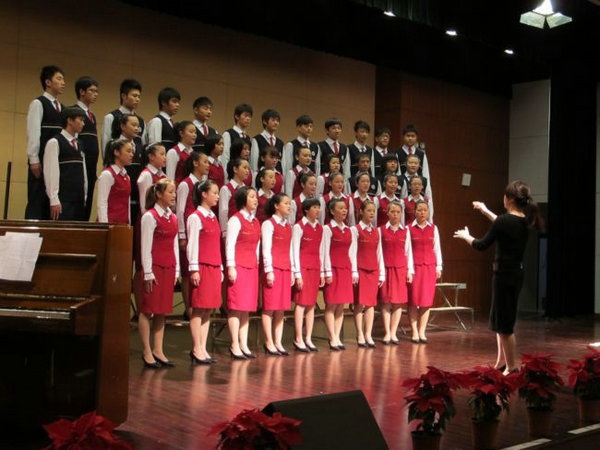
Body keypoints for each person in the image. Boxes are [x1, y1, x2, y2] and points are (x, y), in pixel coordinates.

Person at [453, 180, 544, 375]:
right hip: (513, 274)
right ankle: (502, 361)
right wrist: (484, 210)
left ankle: (512, 366)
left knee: (505, 325)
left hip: (505, 276)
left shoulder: (505, 221)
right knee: (500, 321)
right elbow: (501, 223)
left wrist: (466, 236)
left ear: (508, 199)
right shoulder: (523, 220)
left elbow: (481, 244)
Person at [139, 178, 179, 369]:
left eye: (174, 192)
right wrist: (148, 272)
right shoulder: (150, 216)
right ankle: (146, 351)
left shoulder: (173, 217)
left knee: (162, 310)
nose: (174, 195)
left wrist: (177, 269)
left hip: (168, 267)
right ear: (159, 194)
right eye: (170, 192)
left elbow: (174, 245)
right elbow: (145, 247)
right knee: (148, 309)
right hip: (154, 268)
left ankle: (158, 350)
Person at [187, 180, 223, 364]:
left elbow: (216, 244)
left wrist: (220, 268)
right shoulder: (195, 217)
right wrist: (194, 269)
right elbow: (192, 244)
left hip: (214, 265)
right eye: (214, 192)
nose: (217, 196)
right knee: (199, 308)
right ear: (204, 194)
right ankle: (196, 348)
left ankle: (202, 347)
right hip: (202, 266)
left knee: (208, 309)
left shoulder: (213, 216)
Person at [25, 65, 65, 220]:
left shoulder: (62, 108)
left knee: (52, 202)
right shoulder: (38, 103)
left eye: (63, 79)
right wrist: (33, 159)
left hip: (55, 162)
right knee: (37, 200)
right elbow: (33, 131)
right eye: (59, 79)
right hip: (41, 160)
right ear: (48, 82)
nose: (63, 83)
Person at [226, 186, 261, 360]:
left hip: (251, 267)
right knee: (236, 307)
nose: (256, 199)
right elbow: (230, 245)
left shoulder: (256, 221)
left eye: (256, 197)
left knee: (246, 308)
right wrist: (231, 266)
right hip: (238, 267)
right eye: (252, 196)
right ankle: (234, 344)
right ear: (243, 199)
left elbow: (257, 247)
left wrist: (257, 264)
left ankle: (244, 344)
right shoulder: (235, 220)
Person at [176, 151, 210, 319]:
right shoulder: (185, 184)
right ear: (195, 163)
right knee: (187, 271)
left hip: (202, 231)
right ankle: (189, 308)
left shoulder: (204, 184)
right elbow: (180, 210)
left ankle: (199, 304)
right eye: (205, 161)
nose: (208, 165)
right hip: (189, 231)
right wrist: (182, 235)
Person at [321, 197, 358, 350]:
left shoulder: (350, 230)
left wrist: (354, 271)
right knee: (331, 304)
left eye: (345, 208)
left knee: (341, 305)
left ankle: (337, 336)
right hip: (333, 269)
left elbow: (352, 253)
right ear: (331, 211)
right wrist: (326, 271)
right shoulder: (327, 229)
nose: (344, 211)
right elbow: (324, 251)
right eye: (340, 208)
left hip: (345, 269)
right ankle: (332, 337)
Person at [261, 193, 294, 356]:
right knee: (270, 307)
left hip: (285, 268)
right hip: (273, 269)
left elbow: (290, 250)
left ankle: (278, 342)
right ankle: (269, 342)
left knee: (281, 308)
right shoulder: (268, 224)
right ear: (276, 205)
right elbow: (266, 249)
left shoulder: (288, 225)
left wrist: (292, 271)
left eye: (289, 203)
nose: (289, 206)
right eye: (285, 203)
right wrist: (269, 270)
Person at [43, 107, 87, 221]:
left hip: (78, 198)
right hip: (63, 199)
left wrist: (85, 194)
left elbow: (83, 171)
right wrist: (54, 199)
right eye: (80, 120)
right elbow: (51, 172)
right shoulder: (55, 142)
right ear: (70, 120)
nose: (83, 123)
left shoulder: (79, 144)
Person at [291, 198, 324, 352]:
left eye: (319, 207)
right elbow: (295, 251)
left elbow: (321, 252)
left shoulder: (320, 228)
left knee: (311, 304)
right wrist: (297, 273)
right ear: (306, 209)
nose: (317, 210)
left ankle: (308, 337)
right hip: (303, 268)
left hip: (315, 268)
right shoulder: (299, 227)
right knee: (301, 303)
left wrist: (322, 272)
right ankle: (298, 338)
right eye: (314, 207)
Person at [379, 200, 414, 345]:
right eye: (392, 212)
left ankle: (393, 332)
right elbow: (378, 252)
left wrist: (409, 271)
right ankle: (387, 332)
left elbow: (408, 252)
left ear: (401, 214)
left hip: (400, 269)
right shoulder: (381, 230)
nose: (395, 214)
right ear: (387, 213)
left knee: (398, 302)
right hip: (386, 269)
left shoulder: (406, 231)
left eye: (398, 212)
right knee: (386, 302)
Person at [408, 200, 442, 344]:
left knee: (426, 301)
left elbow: (437, 248)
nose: (422, 213)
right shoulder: (408, 228)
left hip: (429, 267)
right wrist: (409, 269)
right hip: (415, 268)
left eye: (425, 210)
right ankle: (414, 331)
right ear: (414, 211)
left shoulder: (433, 228)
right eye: (419, 210)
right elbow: (407, 251)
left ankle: (422, 331)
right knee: (414, 300)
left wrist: (439, 266)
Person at [352, 200, 385, 348]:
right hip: (361, 270)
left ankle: (368, 334)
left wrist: (381, 273)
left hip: (373, 270)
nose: (372, 213)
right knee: (359, 304)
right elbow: (352, 252)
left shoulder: (376, 231)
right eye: (369, 210)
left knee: (371, 304)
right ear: (361, 212)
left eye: (373, 211)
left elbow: (379, 253)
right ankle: (359, 334)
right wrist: (354, 271)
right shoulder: (356, 230)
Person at [72, 76, 100, 220]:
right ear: (82, 92)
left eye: (96, 91)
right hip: (80, 165)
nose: (95, 94)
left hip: (91, 166)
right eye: (92, 91)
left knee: (88, 202)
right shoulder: (74, 112)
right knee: (78, 202)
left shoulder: (92, 116)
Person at [101, 78, 145, 160]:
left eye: (139, 96)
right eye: (134, 96)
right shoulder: (111, 117)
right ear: (123, 96)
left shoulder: (141, 121)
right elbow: (106, 146)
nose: (137, 99)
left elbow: (142, 145)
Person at [116, 113, 145, 224]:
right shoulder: (115, 144)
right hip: (120, 191)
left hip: (136, 191)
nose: (136, 128)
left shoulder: (139, 144)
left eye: (138, 126)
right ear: (123, 126)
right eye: (133, 125)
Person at [96, 138, 133, 224]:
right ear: (116, 152)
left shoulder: (127, 176)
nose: (131, 155)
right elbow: (102, 203)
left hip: (123, 224)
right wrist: (104, 226)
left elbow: (127, 203)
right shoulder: (107, 175)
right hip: (110, 223)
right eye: (128, 151)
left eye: (132, 152)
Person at [218, 158, 251, 234]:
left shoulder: (248, 190)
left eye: (248, 168)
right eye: (245, 168)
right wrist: (225, 232)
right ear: (235, 169)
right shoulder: (226, 189)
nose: (247, 171)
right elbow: (223, 212)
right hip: (232, 229)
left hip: (245, 229)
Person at [221, 103, 253, 171]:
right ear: (237, 116)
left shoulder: (247, 138)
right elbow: (225, 157)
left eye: (250, 116)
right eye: (245, 115)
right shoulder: (228, 134)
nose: (248, 118)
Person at [250, 108, 284, 173]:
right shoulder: (257, 140)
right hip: (262, 175)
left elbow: (282, 164)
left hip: (276, 175)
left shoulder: (280, 143)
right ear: (265, 122)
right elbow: (254, 163)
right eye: (273, 120)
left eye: (277, 121)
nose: (276, 123)